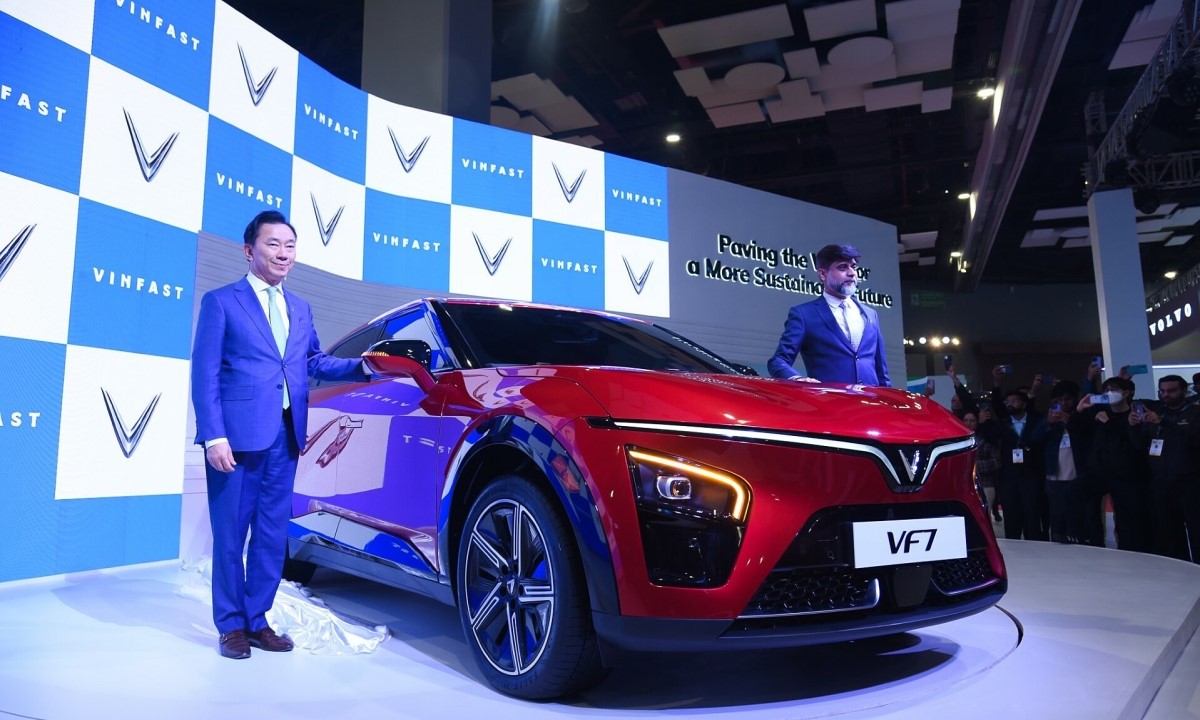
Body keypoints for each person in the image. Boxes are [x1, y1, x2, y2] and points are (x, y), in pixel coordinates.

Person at [191, 210, 370, 659]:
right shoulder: (222, 301)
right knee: (230, 535)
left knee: (271, 535)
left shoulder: (301, 307)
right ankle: (230, 625)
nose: (283, 253)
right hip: (236, 439)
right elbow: (205, 373)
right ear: (249, 250)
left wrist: (365, 365)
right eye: (273, 244)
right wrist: (213, 435)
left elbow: (312, 362)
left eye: (290, 245)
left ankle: (257, 620)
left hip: (286, 436)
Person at [767, 244, 890, 386]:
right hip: (830, 398)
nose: (852, 273)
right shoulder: (803, 314)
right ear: (822, 274)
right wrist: (798, 380)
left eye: (853, 267)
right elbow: (778, 361)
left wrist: (889, 397)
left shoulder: (870, 314)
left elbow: (882, 371)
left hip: (871, 399)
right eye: (842, 267)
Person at [1129, 375, 1200, 563]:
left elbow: (1193, 440)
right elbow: (1139, 445)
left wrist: (1163, 423)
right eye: (1162, 391)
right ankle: (1181, 570)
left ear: (1184, 390)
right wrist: (1133, 426)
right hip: (1161, 483)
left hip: (1190, 482)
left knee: (1196, 530)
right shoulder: (1156, 412)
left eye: (1171, 391)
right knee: (1170, 533)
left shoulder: (1195, 412)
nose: (1166, 395)